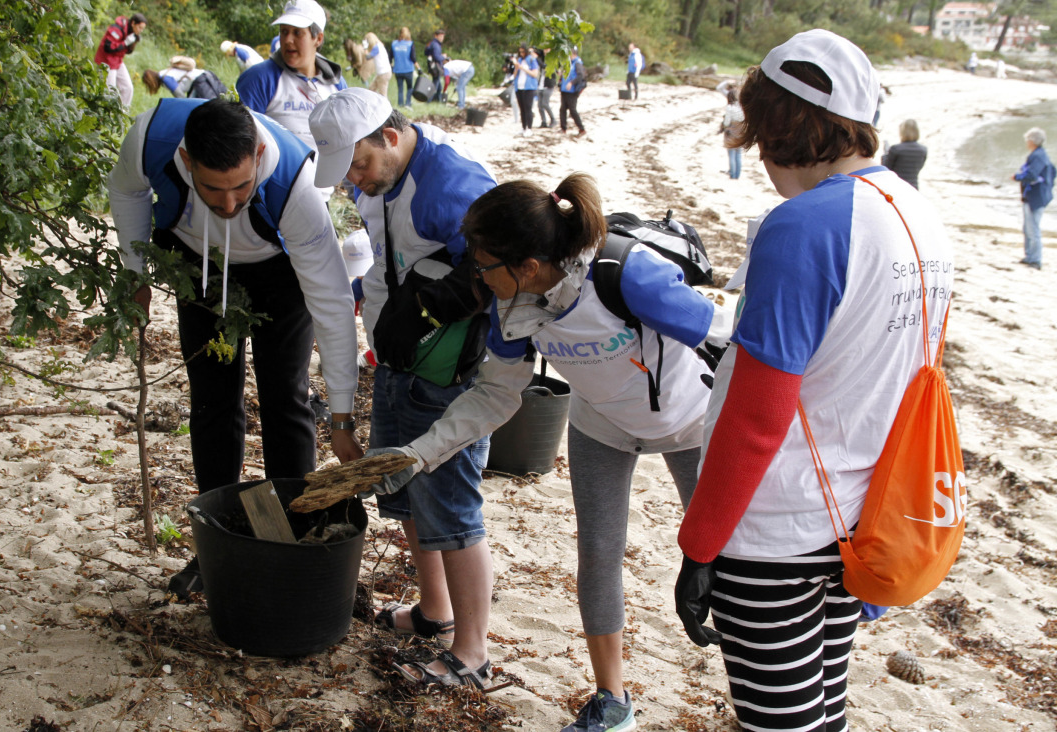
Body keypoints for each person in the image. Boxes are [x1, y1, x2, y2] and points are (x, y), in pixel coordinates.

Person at [371, 172, 731, 731]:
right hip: (600, 424)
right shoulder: (512, 308)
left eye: (484, 264)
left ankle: (753, 687)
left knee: (727, 560)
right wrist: (418, 454)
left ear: (529, 267)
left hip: (691, 422)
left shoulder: (626, 275)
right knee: (598, 555)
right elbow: (494, 395)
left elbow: (729, 344)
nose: (477, 276)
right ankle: (612, 703)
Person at [673, 30, 955, 732]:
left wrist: (699, 546)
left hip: (776, 529)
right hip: (862, 518)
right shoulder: (918, 214)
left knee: (782, 724)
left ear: (774, 126)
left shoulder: (801, 225)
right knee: (822, 711)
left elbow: (757, 416)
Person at [107, 98, 364, 599]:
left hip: (278, 274)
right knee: (211, 401)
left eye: (242, 187)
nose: (228, 204)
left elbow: (333, 304)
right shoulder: (151, 140)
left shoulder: (294, 185)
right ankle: (214, 546)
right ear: (185, 163)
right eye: (212, 190)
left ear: (260, 153)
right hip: (198, 265)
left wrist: (340, 415)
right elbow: (127, 191)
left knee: (285, 397)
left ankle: (290, 540)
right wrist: (133, 271)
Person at [308, 88, 499, 689]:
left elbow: (504, 271)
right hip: (396, 362)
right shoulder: (379, 183)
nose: (356, 182)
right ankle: (434, 611)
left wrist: (446, 302)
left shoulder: (451, 185)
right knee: (405, 491)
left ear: (389, 136)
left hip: (450, 374)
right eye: (347, 174)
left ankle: (471, 652)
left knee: (451, 506)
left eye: (360, 165)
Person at [236, 0, 346, 153]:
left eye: (297, 32)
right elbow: (238, 140)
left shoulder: (336, 83)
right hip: (278, 176)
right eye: (284, 31)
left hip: (330, 174)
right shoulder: (259, 78)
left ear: (318, 38)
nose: (287, 40)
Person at [1013, 126, 1053, 269]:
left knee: (1032, 228)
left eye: (1028, 139)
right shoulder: (1040, 154)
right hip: (1036, 196)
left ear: (1032, 141)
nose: (1026, 142)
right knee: (1028, 227)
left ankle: (1035, 259)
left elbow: (1032, 175)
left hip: (1035, 197)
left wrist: (1017, 177)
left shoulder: (1037, 156)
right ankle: (1030, 256)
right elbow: (1052, 172)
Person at [93, 12, 147, 108]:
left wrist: (133, 43)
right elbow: (108, 48)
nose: (140, 31)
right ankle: (106, 116)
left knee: (128, 88)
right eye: (140, 28)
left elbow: (126, 52)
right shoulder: (117, 29)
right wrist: (125, 43)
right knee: (110, 91)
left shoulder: (132, 33)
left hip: (117, 61)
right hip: (106, 61)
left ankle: (122, 114)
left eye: (142, 29)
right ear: (133, 23)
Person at [141, 57, 226, 101]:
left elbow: (180, 96)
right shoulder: (166, 72)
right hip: (207, 75)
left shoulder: (166, 78)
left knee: (210, 109)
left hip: (201, 82)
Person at [881, 119, 928, 189]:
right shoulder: (923, 150)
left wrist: (886, 154)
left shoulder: (896, 149)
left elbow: (886, 169)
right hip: (913, 187)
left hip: (896, 186)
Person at [559, 46, 587, 137]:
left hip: (572, 90)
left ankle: (581, 128)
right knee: (562, 109)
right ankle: (563, 128)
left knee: (572, 110)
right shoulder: (569, 63)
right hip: (565, 89)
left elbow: (580, 76)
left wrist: (571, 83)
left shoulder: (577, 63)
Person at [513, 45, 540, 136]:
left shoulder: (532, 60)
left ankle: (529, 128)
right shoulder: (520, 60)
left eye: (523, 52)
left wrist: (523, 68)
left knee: (528, 108)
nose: (521, 54)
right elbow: (515, 74)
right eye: (520, 52)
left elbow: (534, 74)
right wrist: (517, 67)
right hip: (519, 87)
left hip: (529, 87)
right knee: (522, 108)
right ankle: (524, 127)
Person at [719, 87, 744, 178]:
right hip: (741, 131)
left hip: (731, 131)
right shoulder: (742, 106)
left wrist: (724, 126)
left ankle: (732, 174)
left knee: (731, 155)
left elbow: (726, 122)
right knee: (738, 155)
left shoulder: (730, 107)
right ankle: (737, 175)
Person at [391, 28, 417, 108]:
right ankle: (408, 103)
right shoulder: (410, 44)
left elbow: (390, 57)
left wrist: (391, 67)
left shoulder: (394, 44)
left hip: (398, 70)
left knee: (400, 88)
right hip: (408, 69)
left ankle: (400, 104)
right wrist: (418, 67)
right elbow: (413, 58)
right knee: (409, 87)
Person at [364, 32, 392, 98]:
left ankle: (387, 108)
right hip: (381, 73)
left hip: (383, 73)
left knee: (383, 95)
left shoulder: (377, 47)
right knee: (371, 89)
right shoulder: (379, 46)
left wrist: (365, 48)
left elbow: (367, 57)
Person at [425, 30, 449, 103]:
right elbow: (437, 57)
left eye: (443, 36)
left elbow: (426, 52)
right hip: (436, 68)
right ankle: (428, 102)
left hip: (433, 67)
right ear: (436, 36)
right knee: (434, 86)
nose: (442, 38)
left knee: (439, 87)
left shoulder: (431, 43)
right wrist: (444, 57)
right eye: (441, 36)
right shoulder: (435, 45)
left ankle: (438, 102)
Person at [537, 48, 557, 128]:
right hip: (541, 84)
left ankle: (553, 119)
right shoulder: (542, 58)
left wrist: (537, 59)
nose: (545, 50)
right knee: (539, 105)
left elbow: (545, 67)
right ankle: (543, 121)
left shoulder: (552, 59)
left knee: (545, 103)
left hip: (549, 84)